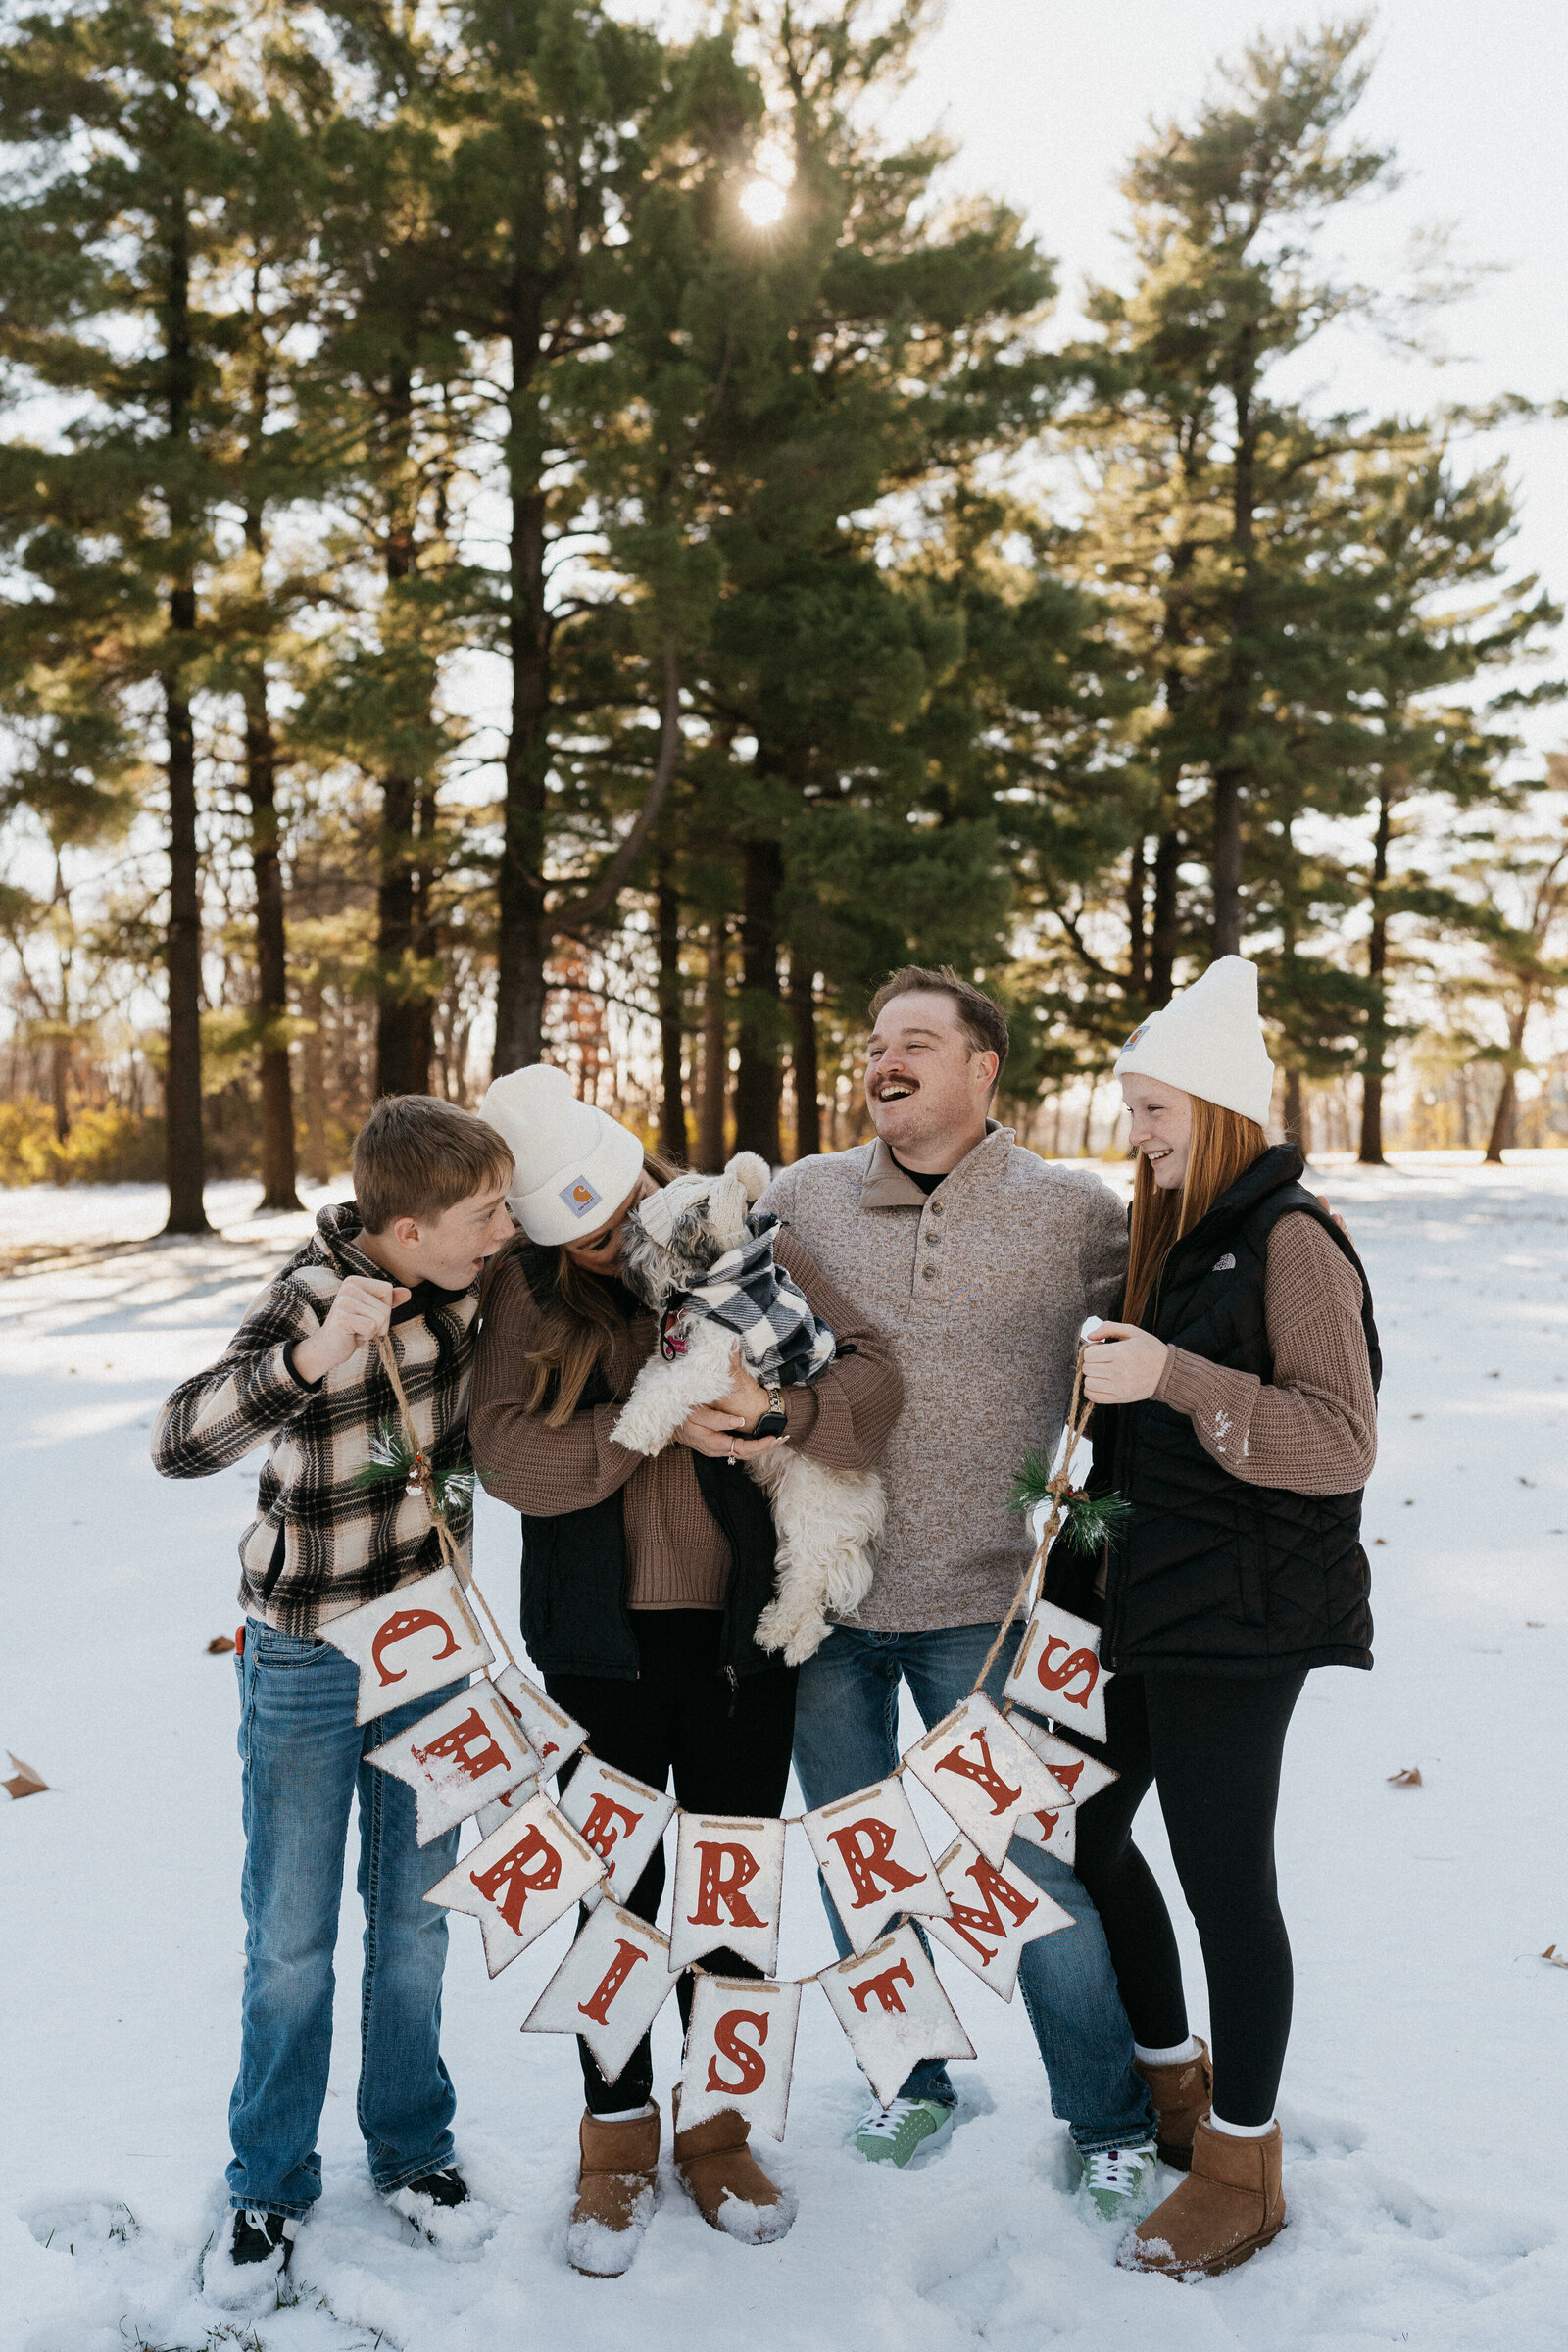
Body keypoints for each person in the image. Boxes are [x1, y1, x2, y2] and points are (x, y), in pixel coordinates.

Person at [469, 1062, 902, 2278]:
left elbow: (870, 1374)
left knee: (728, 1886)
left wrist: (774, 1418)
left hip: (733, 1643)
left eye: (617, 1219)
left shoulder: (733, 1231)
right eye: (585, 1235)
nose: (609, 1247)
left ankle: (719, 2126)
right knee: (615, 1900)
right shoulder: (524, 1288)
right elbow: (506, 1455)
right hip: (596, 1648)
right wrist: (643, 1415)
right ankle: (614, 2139)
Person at [759, 965, 1162, 2219]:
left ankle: (1105, 2119)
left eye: (916, 1043)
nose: (886, 1062)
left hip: (989, 1609)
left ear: (982, 1069)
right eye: (876, 1045)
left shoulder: (1071, 1212)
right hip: (824, 1606)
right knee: (859, 1866)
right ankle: (912, 2077)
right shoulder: (801, 1198)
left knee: (1030, 1876)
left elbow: (1171, 1317)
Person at [152, 1097, 517, 2297]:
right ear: (404, 1228)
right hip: (306, 1657)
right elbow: (178, 1440)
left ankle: (412, 2150)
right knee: (293, 1939)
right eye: (482, 1214)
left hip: (429, 1651)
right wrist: (313, 1358)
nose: (502, 1231)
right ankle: (267, 2180)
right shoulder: (309, 1294)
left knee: (413, 1922)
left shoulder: (480, 1283)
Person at [1050, 954, 1380, 2278]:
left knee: (1225, 1880)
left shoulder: (1292, 1240)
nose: (1136, 1139)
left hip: (1245, 1617)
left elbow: (1341, 1440)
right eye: (1131, 1112)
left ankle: (1245, 2161)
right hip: (1148, 1601)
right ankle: (1172, 2079)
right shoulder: (1176, 1234)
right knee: (1082, 1828)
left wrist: (1173, 1374)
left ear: (1220, 1110)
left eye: (1154, 1114)